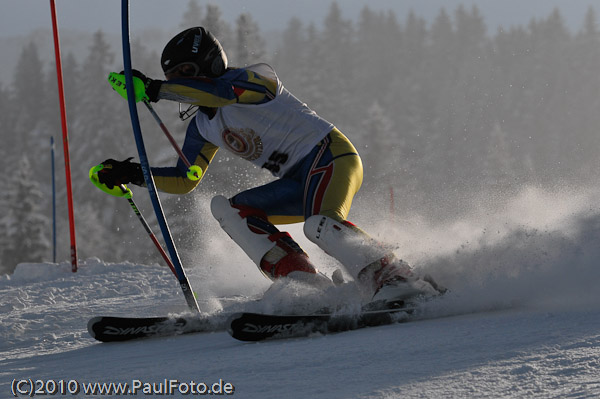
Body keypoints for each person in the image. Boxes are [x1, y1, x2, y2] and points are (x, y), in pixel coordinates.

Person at [99, 26, 442, 305]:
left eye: (186, 74)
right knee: (231, 210)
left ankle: (396, 276)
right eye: (174, 77)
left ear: (210, 64)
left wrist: (158, 89)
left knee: (319, 224)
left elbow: (221, 93)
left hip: (330, 156)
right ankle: (307, 286)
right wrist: (133, 174)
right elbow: (185, 179)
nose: (183, 85)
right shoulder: (202, 126)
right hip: (295, 180)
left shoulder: (254, 80)